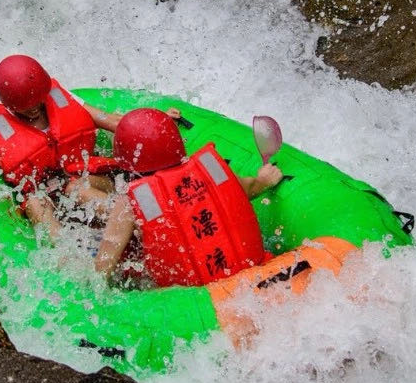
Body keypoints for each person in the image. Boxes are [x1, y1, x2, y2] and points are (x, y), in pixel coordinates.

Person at [0, 55, 176, 238]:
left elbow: (111, 121)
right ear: (9, 104)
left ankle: (143, 228)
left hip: (89, 182)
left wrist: (153, 121)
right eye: (25, 108)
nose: (33, 110)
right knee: (34, 201)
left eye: (37, 103)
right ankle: (68, 259)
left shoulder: (61, 98)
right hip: (47, 198)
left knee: (75, 188)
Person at [91, 107, 283, 286]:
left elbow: (103, 268)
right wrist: (265, 179)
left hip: (195, 301)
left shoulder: (131, 201)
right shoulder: (209, 168)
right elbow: (249, 188)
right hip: (254, 275)